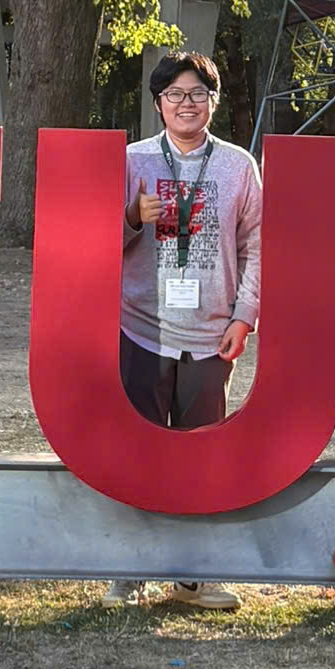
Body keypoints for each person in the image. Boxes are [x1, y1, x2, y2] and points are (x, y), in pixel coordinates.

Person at [108, 50, 262, 614]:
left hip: (210, 334)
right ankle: (131, 572)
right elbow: (90, 240)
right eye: (175, 94)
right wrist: (131, 217)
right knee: (138, 452)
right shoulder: (132, 160)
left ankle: (195, 576)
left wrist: (244, 316)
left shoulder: (239, 166)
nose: (187, 103)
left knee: (202, 457)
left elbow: (257, 245)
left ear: (213, 102)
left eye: (198, 93)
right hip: (140, 327)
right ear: (159, 104)